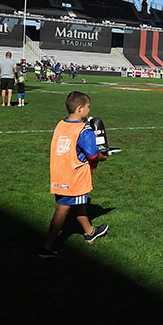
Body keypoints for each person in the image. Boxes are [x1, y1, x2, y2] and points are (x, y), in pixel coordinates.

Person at [39, 91, 110, 256]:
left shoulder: (61, 124)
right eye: (87, 107)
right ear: (79, 109)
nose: (88, 110)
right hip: (73, 176)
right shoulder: (83, 129)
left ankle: (90, 231)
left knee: (76, 202)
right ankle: (47, 247)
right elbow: (93, 155)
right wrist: (104, 156)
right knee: (62, 209)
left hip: (59, 172)